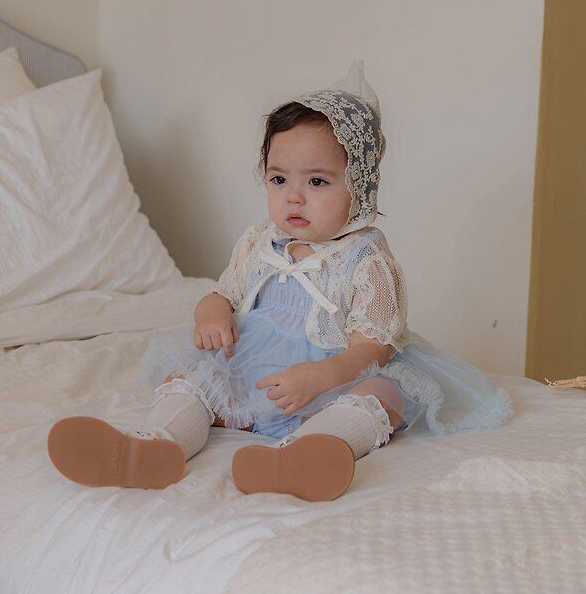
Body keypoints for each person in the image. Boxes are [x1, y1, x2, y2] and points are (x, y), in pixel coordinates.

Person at [48, 61, 513, 501]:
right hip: (255, 375)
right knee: (190, 376)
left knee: (383, 394)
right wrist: (211, 311)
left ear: (360, 187)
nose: (294, 197)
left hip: (333, 378)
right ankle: (157, 445)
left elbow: (374, 346)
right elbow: (225, 292)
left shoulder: (366, 258)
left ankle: (306, 454)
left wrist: (323, 376)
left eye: (317, 182)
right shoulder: (259, 242)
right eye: (278, 179)